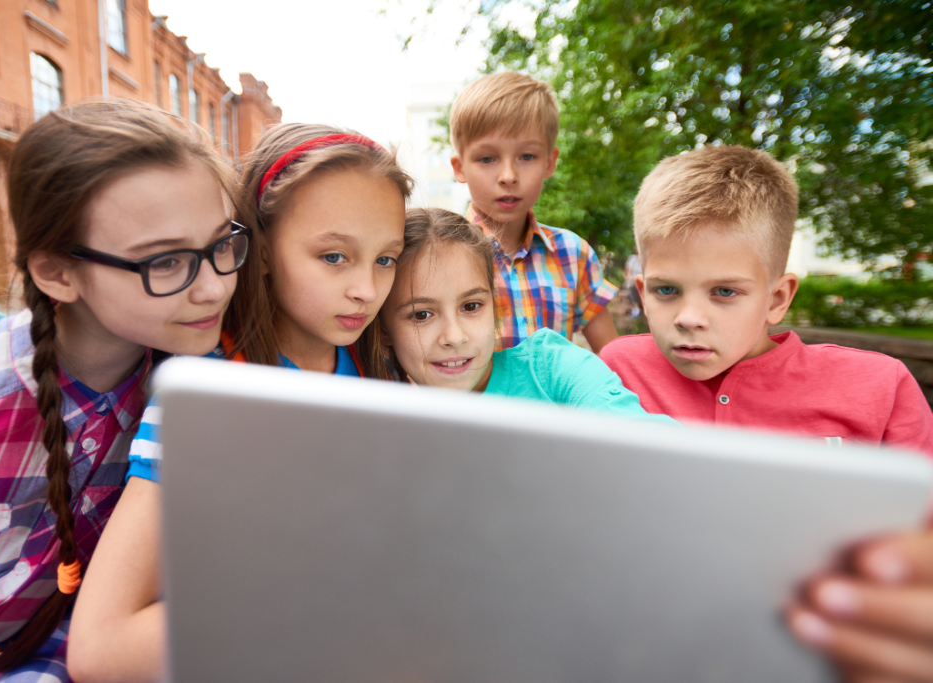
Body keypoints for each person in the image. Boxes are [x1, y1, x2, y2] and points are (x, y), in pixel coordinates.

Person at [0, 100, 242, 681]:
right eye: (165, 262)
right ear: (57, 272)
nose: (214, 288)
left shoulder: (195, 402)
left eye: (222, 245)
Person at [67, 124, 413, 683]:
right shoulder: (206, 396)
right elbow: (99, 650)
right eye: (333, 256)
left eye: (386, 259)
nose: (367, 291)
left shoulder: (377, 366)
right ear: (263, 248)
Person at [597, 144, 933, 681]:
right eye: (666, 290)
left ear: (777, 298)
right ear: (641, 290)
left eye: (725, 293)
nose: (688, 318)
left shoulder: (878, 386)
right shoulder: (615, 370)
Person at [380, 207, 668, 426]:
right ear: (383, 329)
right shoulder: (382, 419)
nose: (454, 336)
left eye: (471, 306)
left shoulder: (552, 369)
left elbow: (648, 441)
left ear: (495, 305)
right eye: (422, 314)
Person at [448, 71, 619, 354]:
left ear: (549, 163)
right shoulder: (439, 257)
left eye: (527, 156)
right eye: (487, 158)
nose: (508, 176)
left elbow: (616, 360)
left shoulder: (574, 256)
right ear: (460, 167)